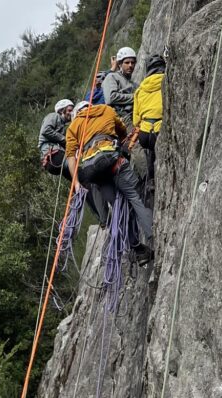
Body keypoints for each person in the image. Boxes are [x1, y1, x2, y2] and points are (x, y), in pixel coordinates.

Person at [66, 102, 153, 262]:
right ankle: (153, 236)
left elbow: (71, 156)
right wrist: (121, 145)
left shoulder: (74, 126)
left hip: (92, 170)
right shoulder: (106, 110)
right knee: (136, 197)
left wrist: (76, 183)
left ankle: (138, 251)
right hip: (112, 160)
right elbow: (122, 130)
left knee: (118, 208)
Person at [133, 54, 165, 185]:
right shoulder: (167, 80)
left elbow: (136, 121)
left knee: (150, 152)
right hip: (160, 128)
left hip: (145, 134)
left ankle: (151, 179)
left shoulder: (139, 90)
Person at [102, 47, 138, 129]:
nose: (130, 65)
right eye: (127, 62)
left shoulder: (134, 84)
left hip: (134, 117)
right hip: (120, 118)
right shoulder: (112, 77)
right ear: (120, 64)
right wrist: (134, 97)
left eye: (133, 63)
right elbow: (111, 98)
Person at [39, 99, 74, 176]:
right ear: (62, 110)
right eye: (69, 110)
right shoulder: (54, 116)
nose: (71, 113)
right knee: (76, 170)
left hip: (56, 157)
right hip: (53, 154)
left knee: (80, 178)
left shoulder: (63, 126)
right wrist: (64, 139)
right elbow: (46, 130)